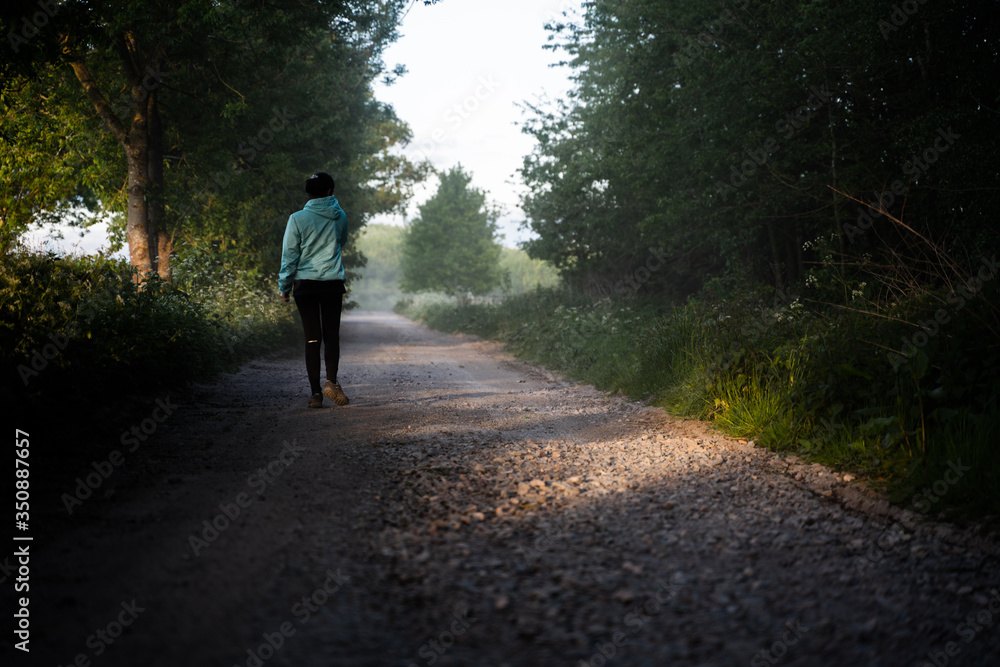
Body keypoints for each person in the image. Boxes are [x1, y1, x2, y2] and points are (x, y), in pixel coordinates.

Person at [279, 172, 351, 409]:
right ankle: (331, 381)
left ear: (309, 193)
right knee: (332, 335)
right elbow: (341, 240)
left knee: (312, 338)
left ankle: (316, 394)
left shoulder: (297, 219)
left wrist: (285, 286)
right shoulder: (339, 216)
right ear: (330, 191)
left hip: (305, 285)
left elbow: (290, 255)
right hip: (332, 283)